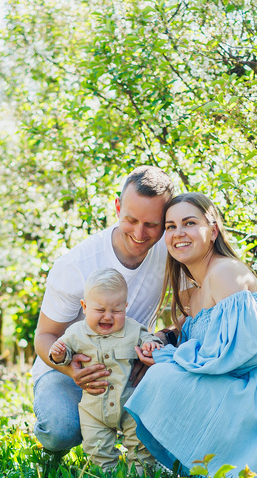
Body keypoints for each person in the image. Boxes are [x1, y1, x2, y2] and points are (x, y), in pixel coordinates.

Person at [124, 192, 257, 478]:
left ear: (213, 230)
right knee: (158, 373)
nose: (178, 233)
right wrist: (161, 339)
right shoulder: (195, 287)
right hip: (240, 373)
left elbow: (245, 353)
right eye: (170, 226)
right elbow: (193, 328)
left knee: (163, 378)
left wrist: (169, 358)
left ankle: (219, 472)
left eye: (189, 223)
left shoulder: (225, 272)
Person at [32, 166, 176, 456]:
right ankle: (56, 433)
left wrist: (155, 342)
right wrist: (71, 369)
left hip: (131, 365)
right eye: (131, 220)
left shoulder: (172, 252)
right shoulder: (75, 264)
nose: (139, 233)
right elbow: (44, 336)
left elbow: (188, 316)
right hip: (72, 367)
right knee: (61, 429)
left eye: (152, 224)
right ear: (118, 207)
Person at [48, 269, 163, 472]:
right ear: (84, 307)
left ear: (125, 308)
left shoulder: (134, 329)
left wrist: (151, 345)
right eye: (100, 310)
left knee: (141, 444)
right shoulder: (76, 333)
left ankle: (141, 476)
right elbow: (64, 352)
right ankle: (106, 475)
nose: (108, 316)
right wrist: (59, 355)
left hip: (131, 406)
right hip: (94, 409)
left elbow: (148, 338)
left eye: (116, 311)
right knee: (96, 447)